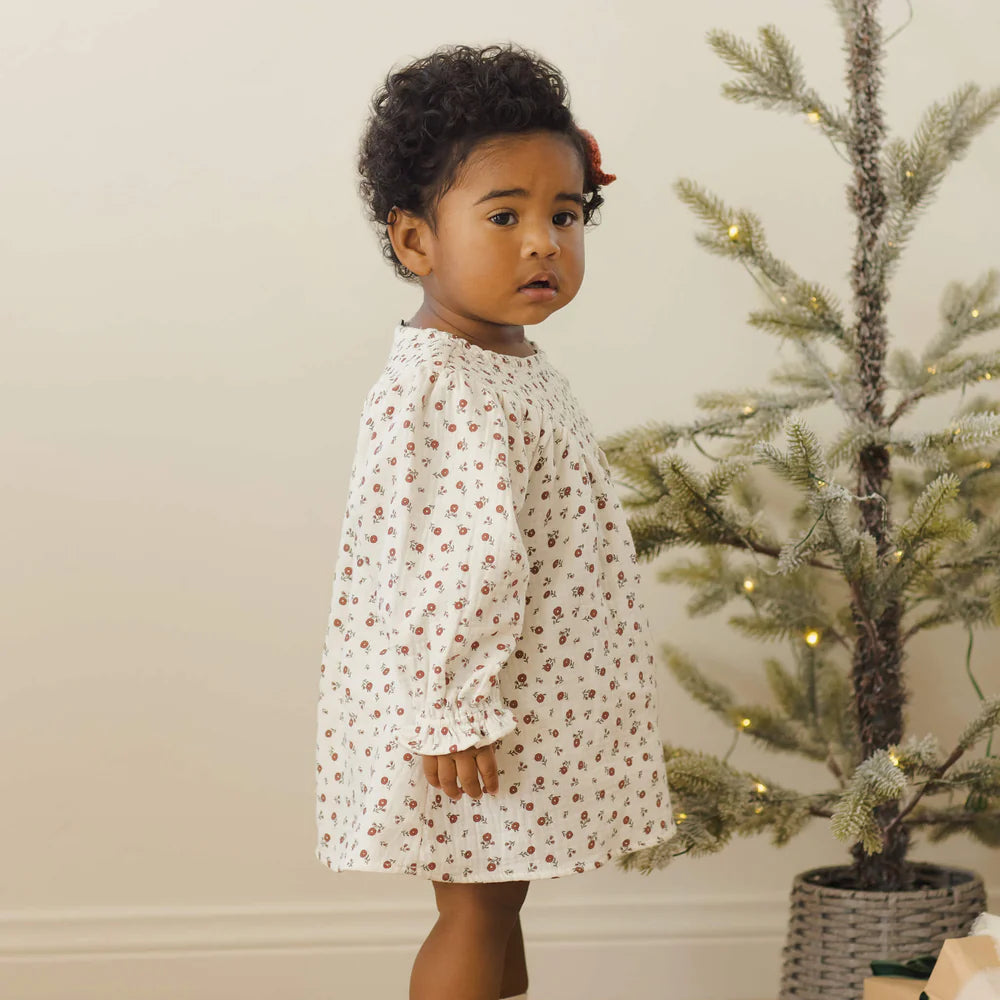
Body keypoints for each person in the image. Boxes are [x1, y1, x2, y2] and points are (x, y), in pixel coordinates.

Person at [315, 42, 677, 1000]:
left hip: (511, 704)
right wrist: (452, 707)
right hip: (473, 712)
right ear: (415, 243)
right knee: (474, 908)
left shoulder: (505, 366)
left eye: (564, 214)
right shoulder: (445, 385)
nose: (542, 243)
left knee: (497, 902)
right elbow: (451, 560)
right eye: (505, 215)